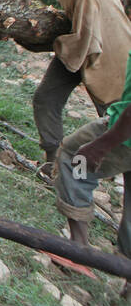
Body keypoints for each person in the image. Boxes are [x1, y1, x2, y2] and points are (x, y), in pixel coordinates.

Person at [33, 0, 131, 177]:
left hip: (108, 53)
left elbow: (87, 40)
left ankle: (97, 167)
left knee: (114, 118)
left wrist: (41, 42)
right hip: (82, 43)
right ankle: (55, 159)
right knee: (46, 98)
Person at [54, 54, 131, 291]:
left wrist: (102, 145)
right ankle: (127, 274)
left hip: (125, 136)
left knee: (72, 157)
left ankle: (78, 251)